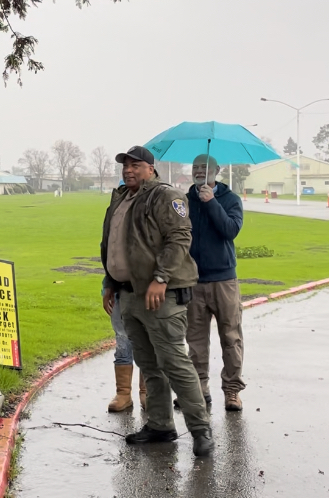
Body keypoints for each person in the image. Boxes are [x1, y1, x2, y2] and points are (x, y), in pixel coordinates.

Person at [101, 146, 213, 457]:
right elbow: (114, 244)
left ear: (151, 168)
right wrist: (111, 281)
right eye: (125, 165)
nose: (129, 170)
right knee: (149, 364)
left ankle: (201, 429)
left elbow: (179, 238)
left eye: (136, 165)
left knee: (174, 362)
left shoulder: (166, 196)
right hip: (129, 293)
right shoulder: (122, 198)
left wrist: (161, 278)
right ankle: (161, 424)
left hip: (160, 294)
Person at [185, 155, 245, 412]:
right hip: (193, 281)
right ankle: (199, 389)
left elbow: (230, 230)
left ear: (217, 171)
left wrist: (211, 203)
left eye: (205, 167)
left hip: (224, 280)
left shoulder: (230, 200)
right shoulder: (184, 201)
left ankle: (232, 391)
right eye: (195, 167)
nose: (199, 171)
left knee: (231, 338)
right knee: (196, 341)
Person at [103, 282, 145, 412]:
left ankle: (147, 392)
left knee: (148, 344)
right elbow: (110, 262)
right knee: (122, 343)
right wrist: (107, 287)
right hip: (119, 292)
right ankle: (123, 393)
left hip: (147, 292)